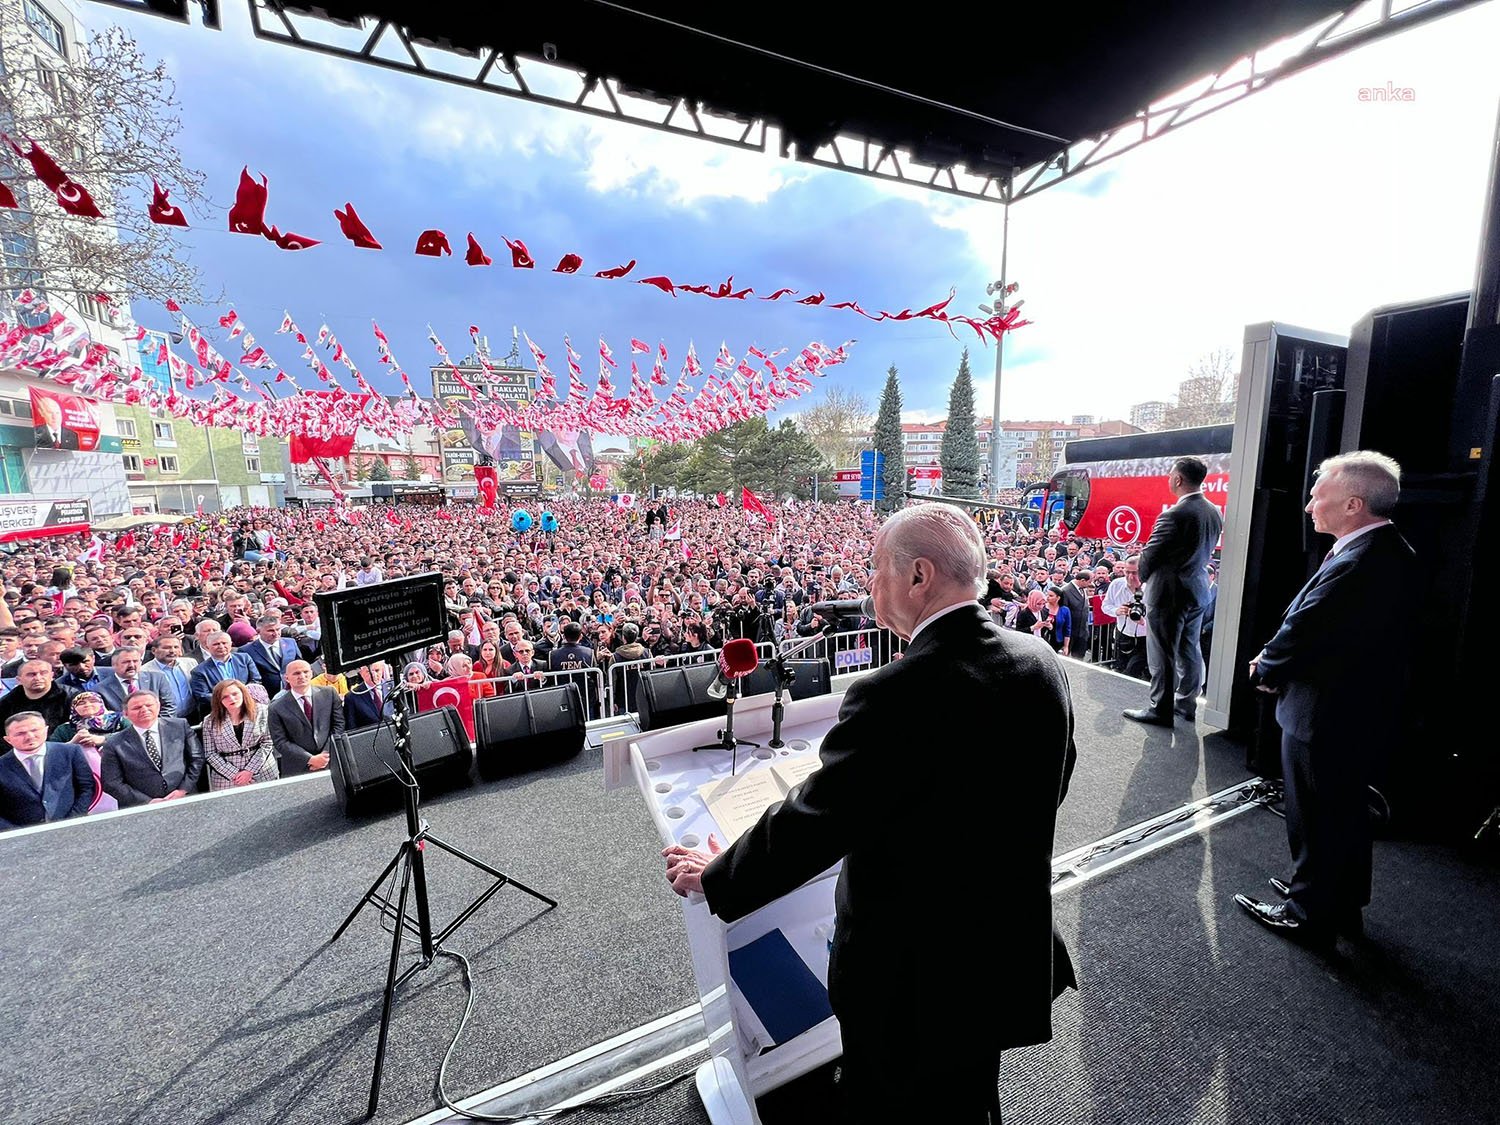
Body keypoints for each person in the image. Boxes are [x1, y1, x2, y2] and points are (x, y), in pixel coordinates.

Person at [662, 504, 1076, 1123]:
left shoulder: (895, 693)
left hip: (911, 979)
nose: (868, 583)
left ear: (919, 576)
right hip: (997, 948)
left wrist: (719, 873)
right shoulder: (1038, 660)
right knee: (966, 1094)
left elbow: (815, 822)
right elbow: (1052, 778)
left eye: (876, 568)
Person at [1236, 452, 1416, 949]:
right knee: (1346, 811)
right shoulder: (1388, 550)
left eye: (1320, 495)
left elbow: (1307, 625)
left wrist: (1267, 669)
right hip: (1355, 711)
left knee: (1315, 813)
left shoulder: (1358, 562)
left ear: (1353, 504)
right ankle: (1339, 902)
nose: (1310, 503)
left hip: (1326, 714)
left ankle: (1307, 913)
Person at [1124, 456, 1223, 726]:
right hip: (1197, 590)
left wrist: (1139, 578)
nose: (1169, 478)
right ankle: (1186, 704)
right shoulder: (1213, 511)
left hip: (1169, 594)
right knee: (1189, 649)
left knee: (1162, 652)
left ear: (1178, 479)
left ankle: (1160, 709)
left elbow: (1151, 554)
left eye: (1170, 475)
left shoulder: (1174, 514)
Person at [99, 690, 204, 808]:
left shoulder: (180, 726)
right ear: (125, 713)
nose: (144, 709)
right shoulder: (114, 743)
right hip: (142, 808)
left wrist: (183, 789)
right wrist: (147, 802)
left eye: (149, 705)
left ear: (158, 706)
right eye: (137, 707)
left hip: (185, 798)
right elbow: (111, 782)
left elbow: (197, 758)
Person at [0, 710, 97, 829]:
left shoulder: (70, 752)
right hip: (23, 837)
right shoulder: (2, 765)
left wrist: (73, 819)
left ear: (46, 730)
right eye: (20, 733)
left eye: (35, 730)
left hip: (73, 826)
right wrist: (17, 833)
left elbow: (87, 787)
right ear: (8, 739)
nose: (30, 736)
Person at [201, 678, 279, 792]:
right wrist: (235, 774)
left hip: (263, 773)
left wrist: (249, 771)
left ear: (243, 693)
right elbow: (210, 754)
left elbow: (268, 742)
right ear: (219, 700)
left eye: (235, 694)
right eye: (225, 697)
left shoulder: (262, 711)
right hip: (227, 780)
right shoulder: (210, 721)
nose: (231, 699)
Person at [267, 660, 344, 774]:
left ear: (312, 673)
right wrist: (310, 759)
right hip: (298, 767)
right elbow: (280, 741)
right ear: (287, 678)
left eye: (305, 672)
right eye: (296, 673)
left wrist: (325, 755)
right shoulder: (276, 707)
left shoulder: (329, 694)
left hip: (332, 760)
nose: (302, 676)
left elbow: (339, 725)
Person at [188, 630, 262, 717]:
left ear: (231, 644)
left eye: (224, 643)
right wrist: (228, 700)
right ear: (208, 647)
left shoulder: (244, 658)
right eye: (216, 644)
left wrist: (242, 698)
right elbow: (202, 695)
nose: (221, 646)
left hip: (248, 708)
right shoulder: (199, 671)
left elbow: (256, 680)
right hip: (220, 714)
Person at [1100, 555, 1149, 680]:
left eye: (1135, 573)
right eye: (1127, 572)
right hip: (1123, 634)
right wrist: (1117, 611)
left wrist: (1142, 621)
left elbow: (1161, 619)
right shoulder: (1116, 584)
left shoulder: (1151, 588)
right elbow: (1105, 606)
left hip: (1145, 637)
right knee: (1121, 668)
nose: (1130, 577)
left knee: (1132, 672)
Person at [94, 647, 177, 719]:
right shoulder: (101, 689)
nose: (131, 665)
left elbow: (169, 706)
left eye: (135, 661)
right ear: (114, 664)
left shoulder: (157, 678)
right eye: (126, 662)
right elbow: (106, 717)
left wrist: (154, 726)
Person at [0, 659, 73, 734]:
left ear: (52, 676)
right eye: (31, 674)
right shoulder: (7, 702)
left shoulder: (70, 696)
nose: (38, 678)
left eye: (43, 673)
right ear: (19, 680)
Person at [240, 613, 302, 697]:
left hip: (293, 691)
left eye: (278, 629)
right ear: (258, 631)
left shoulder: (290, 642)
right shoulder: (246, 650)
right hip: (267, 695)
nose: (276, 633)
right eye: (270, 630)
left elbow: (300, 664)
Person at [344, 662, 394, 731]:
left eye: (377, 670)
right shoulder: (352, 696)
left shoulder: (394, 687)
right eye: (368, 672)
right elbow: (351, 728)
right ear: (361, 673)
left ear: (382, 670)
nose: (374, 675)